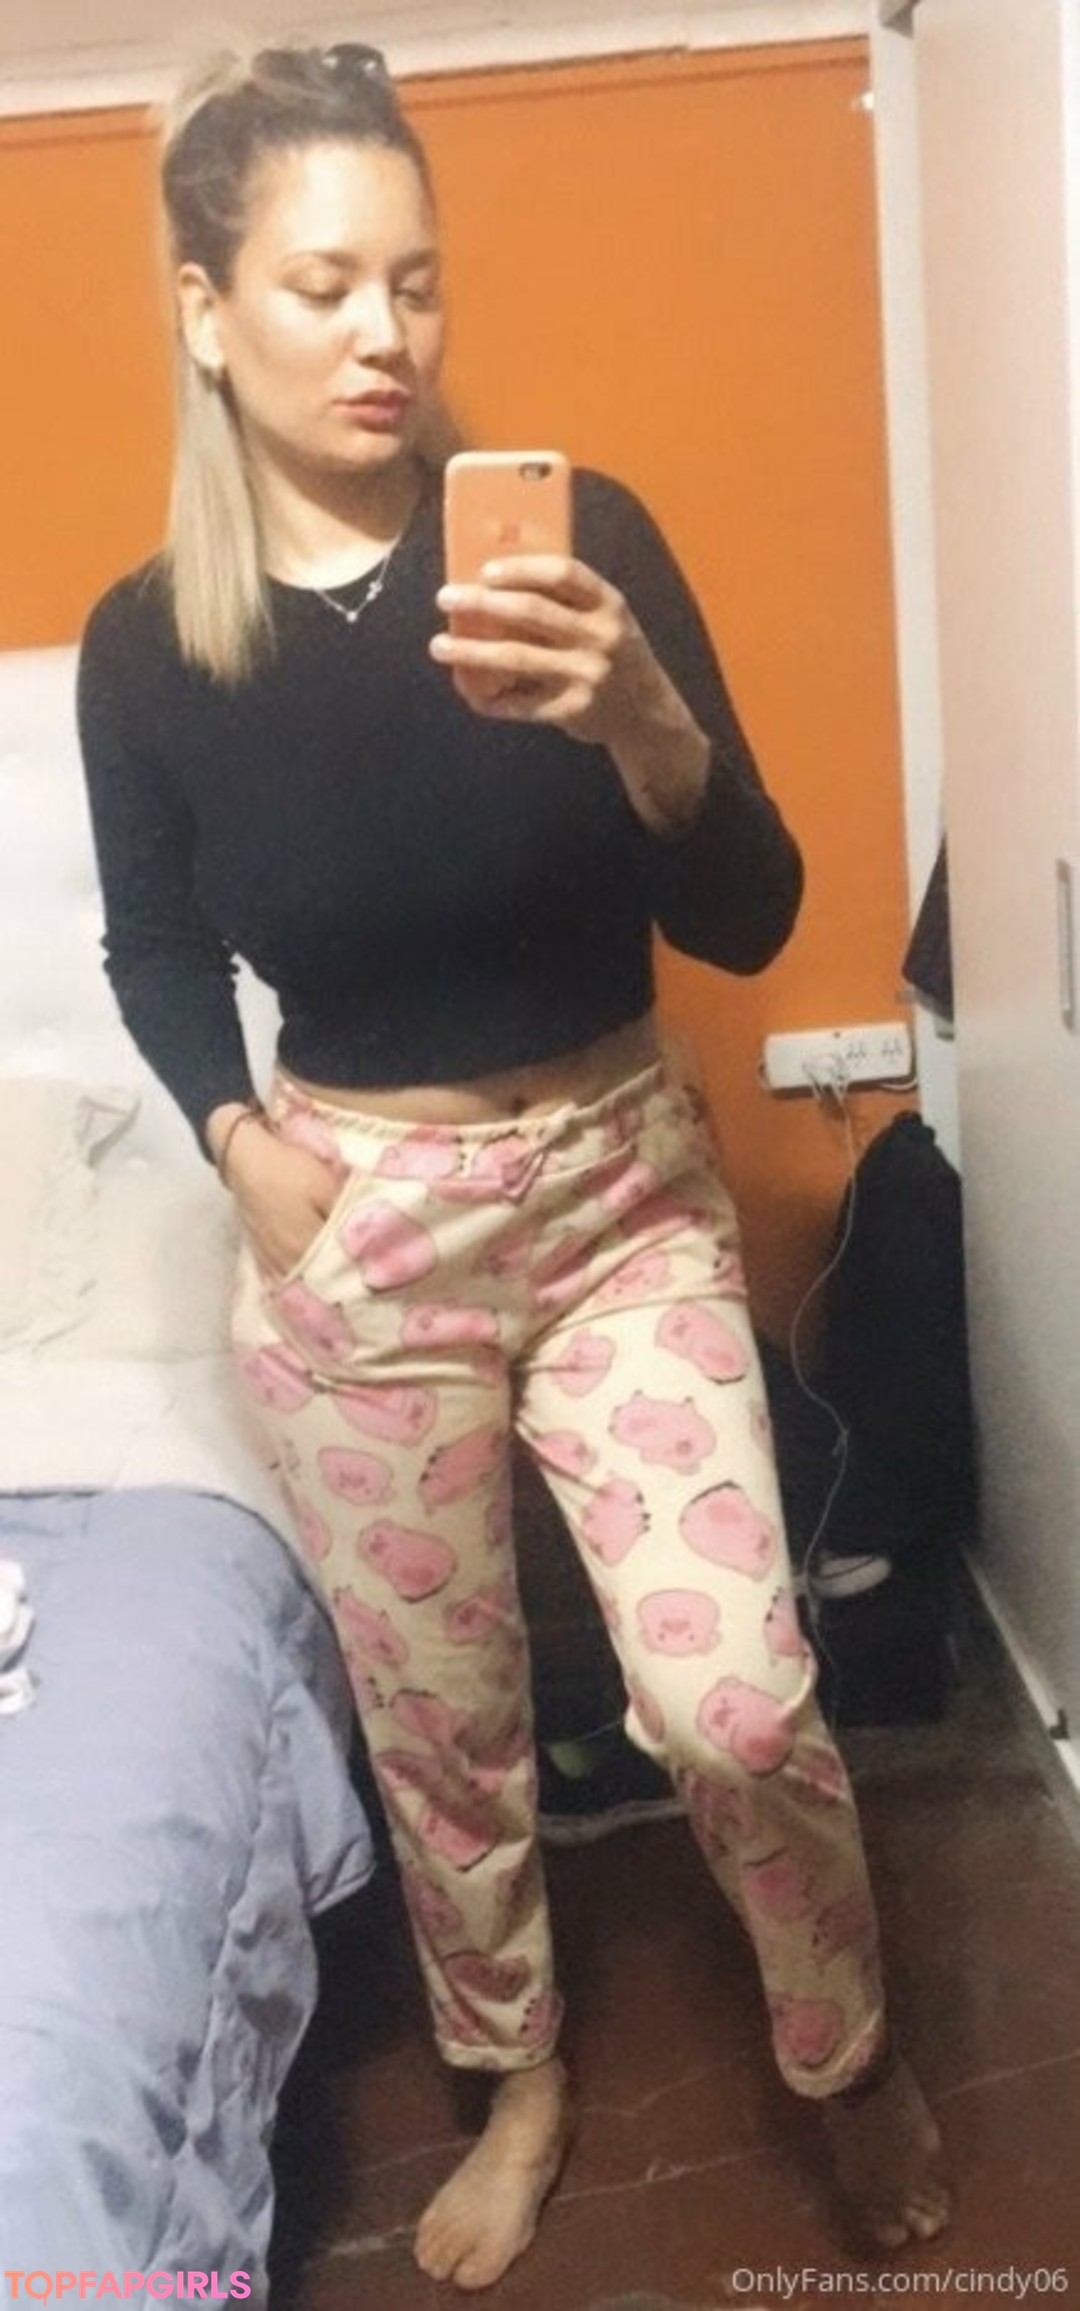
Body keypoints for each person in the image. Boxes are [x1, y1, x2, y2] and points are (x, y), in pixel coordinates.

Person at [76, 42, 951, 2292]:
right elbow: (155, 945)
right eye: (324, 285)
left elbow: (751, 915)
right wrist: (237, 1140)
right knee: (446, 1734)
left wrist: (642, 713)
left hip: (616, 1196)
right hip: (360, 1232)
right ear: (206, 311)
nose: (385, 333)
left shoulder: (591, 544)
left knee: (736, 1695)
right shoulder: (152, 648)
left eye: (419, 281)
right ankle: (524, 2074)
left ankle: (843, 2051)